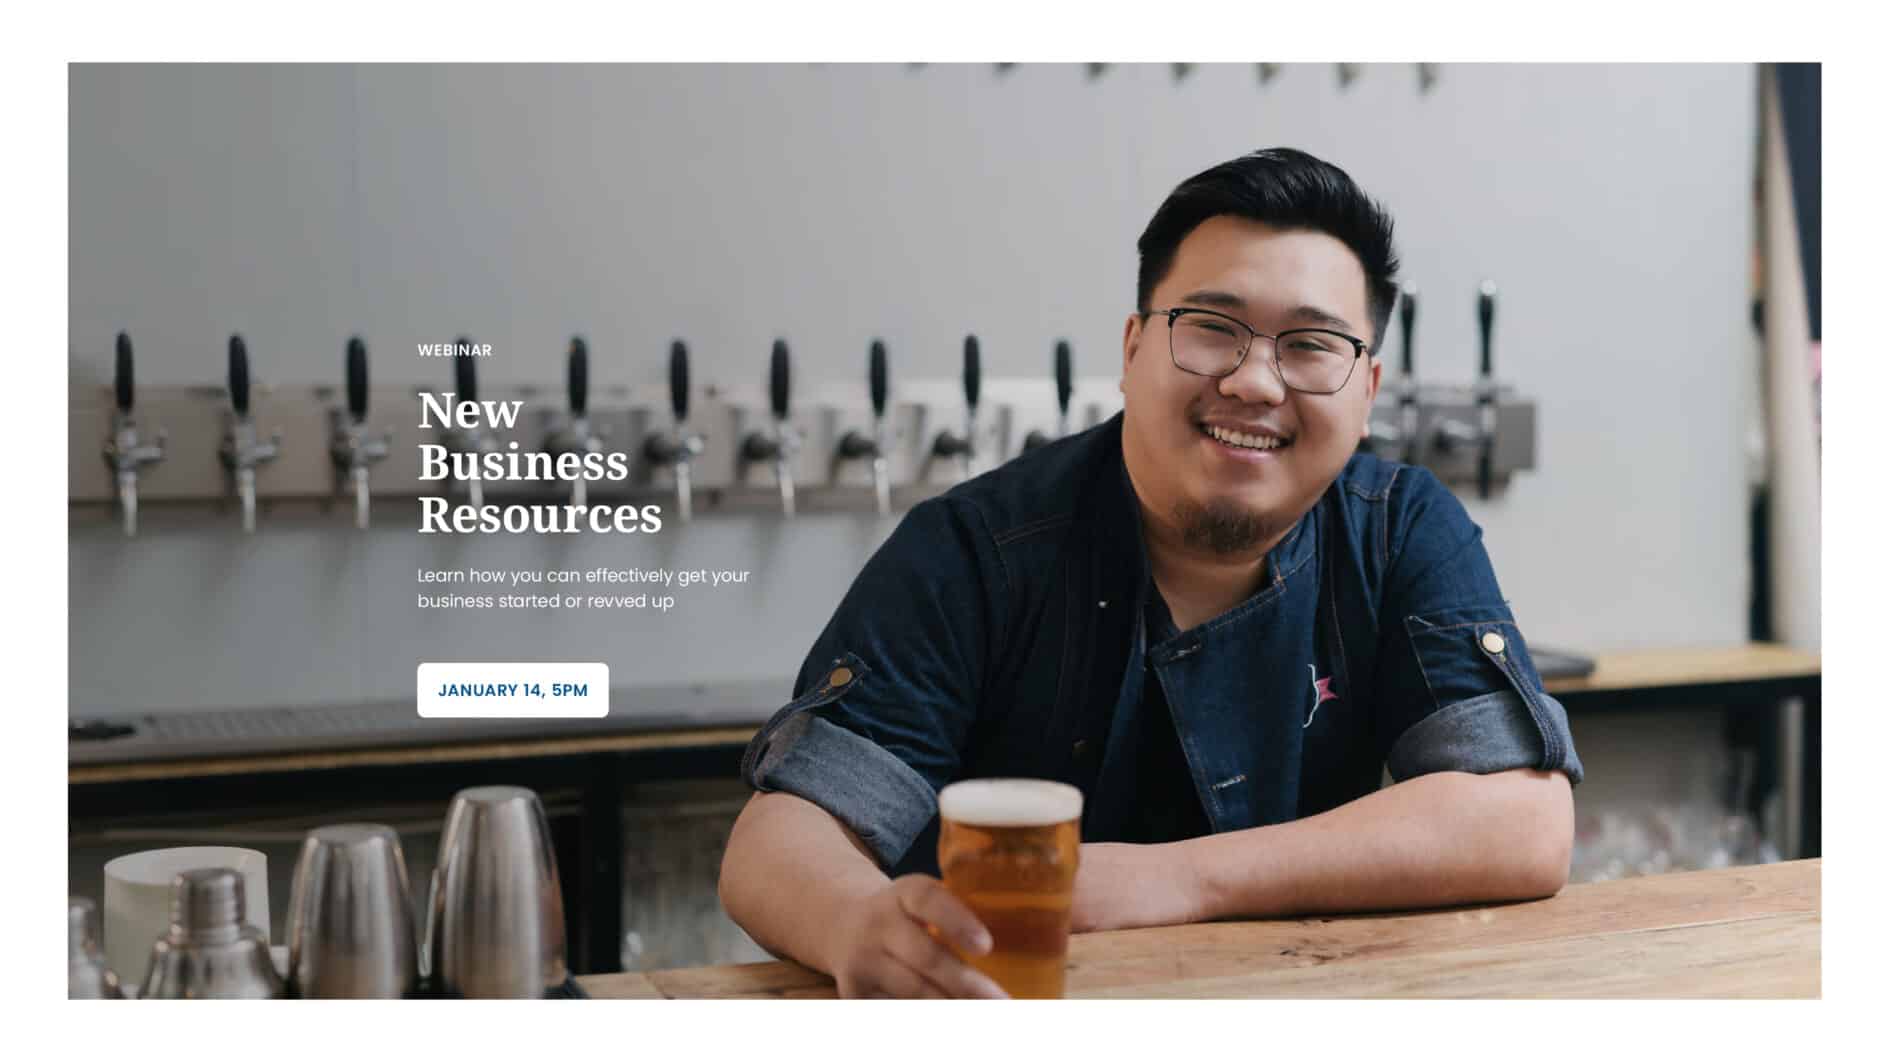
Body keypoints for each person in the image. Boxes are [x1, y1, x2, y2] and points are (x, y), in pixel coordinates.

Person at [718, 147, 1583, 999]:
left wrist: (1175, 880)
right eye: (1211, 328)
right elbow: (777, 842)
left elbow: (1522, 819)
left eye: (1312, 345)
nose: (1253, 381)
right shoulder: (977, 550)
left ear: (1366, 390)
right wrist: (852, 924)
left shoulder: (1397, 527)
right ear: (1133, 350)